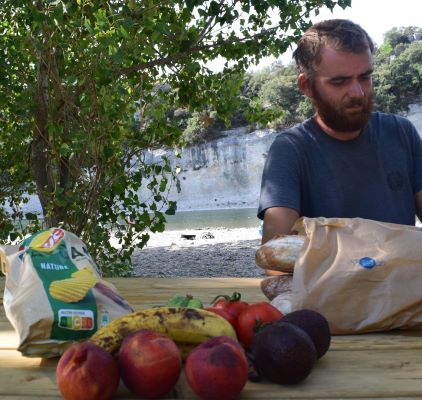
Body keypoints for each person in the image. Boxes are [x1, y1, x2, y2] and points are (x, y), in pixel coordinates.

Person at [257, 19, 422, 274]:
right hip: (330, 304)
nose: (358, 92)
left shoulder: (402, 133)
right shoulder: (290, 149)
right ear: (306, 86)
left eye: (365, 77)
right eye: (339, 82)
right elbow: (275, 259)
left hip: (402, 296)